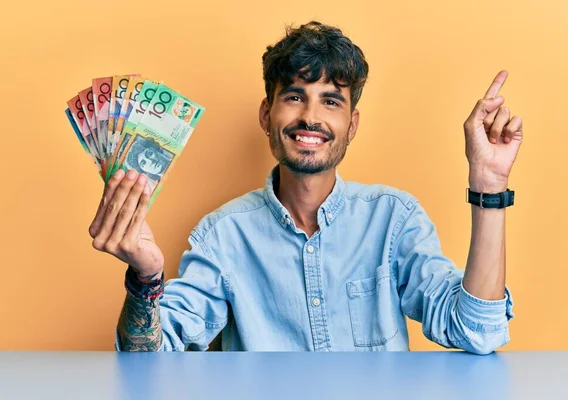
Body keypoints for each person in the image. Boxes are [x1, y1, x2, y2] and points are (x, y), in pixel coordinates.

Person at [89, 21, 522, 353]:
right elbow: (149, 359)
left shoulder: (394, 220)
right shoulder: (222, 237)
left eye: (331, 100)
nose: (310, 117)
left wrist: (488, 186)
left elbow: (477, 331)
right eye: (294, 96)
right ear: (266, 115)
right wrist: (145, 278)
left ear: (351, 125)